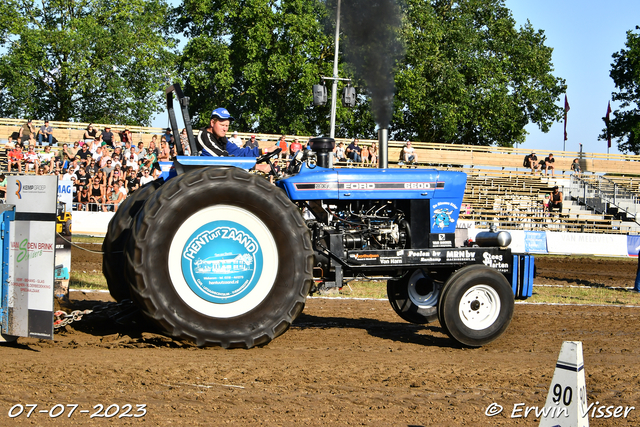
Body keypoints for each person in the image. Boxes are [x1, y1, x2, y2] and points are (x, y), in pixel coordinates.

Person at [196, 108, 276, 158]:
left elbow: (239, 152)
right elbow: (221, 159)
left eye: (227, 126)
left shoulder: (221, 139)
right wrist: (255, 166)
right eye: (222, 125)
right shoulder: (204, 137)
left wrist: (264, 150)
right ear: (212, 123)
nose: (225, 129)